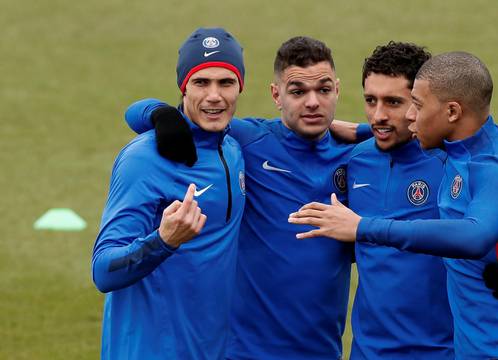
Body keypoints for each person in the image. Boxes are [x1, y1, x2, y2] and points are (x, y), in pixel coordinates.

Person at [289, 52, 498, 359]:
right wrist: (364, 130)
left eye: (407, 104)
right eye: (371, 101)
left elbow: (490, 233)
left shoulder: (479, 162)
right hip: (394, 351)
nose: (385, 115)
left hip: (493, 348)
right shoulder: (379, 156)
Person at [125, 36, 361, 360]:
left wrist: (364, 131)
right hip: (244, 351)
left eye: (323, 90)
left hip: (323, 350)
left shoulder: (358, 159)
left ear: (337, 89)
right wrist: (160, 114)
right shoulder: (248, 141)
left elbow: (409, 133)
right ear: (276, 95)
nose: (312, 103)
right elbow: (141, 113)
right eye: (297, 91)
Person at [91, 27, 246, 359]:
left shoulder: (233, 148)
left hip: (210, 349)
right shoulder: (143, 158)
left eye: (226, 82)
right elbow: (102, 270)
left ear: (240, 87)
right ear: (183, 87)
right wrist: (163, 240)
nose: (214, 96)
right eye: (201, 82)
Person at [347, 41, 454, 359]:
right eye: (370, 100)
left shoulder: (455, 165)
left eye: (393, 102)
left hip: (440, 351)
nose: (378, 115)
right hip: (367, 352)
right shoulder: (355, 161)